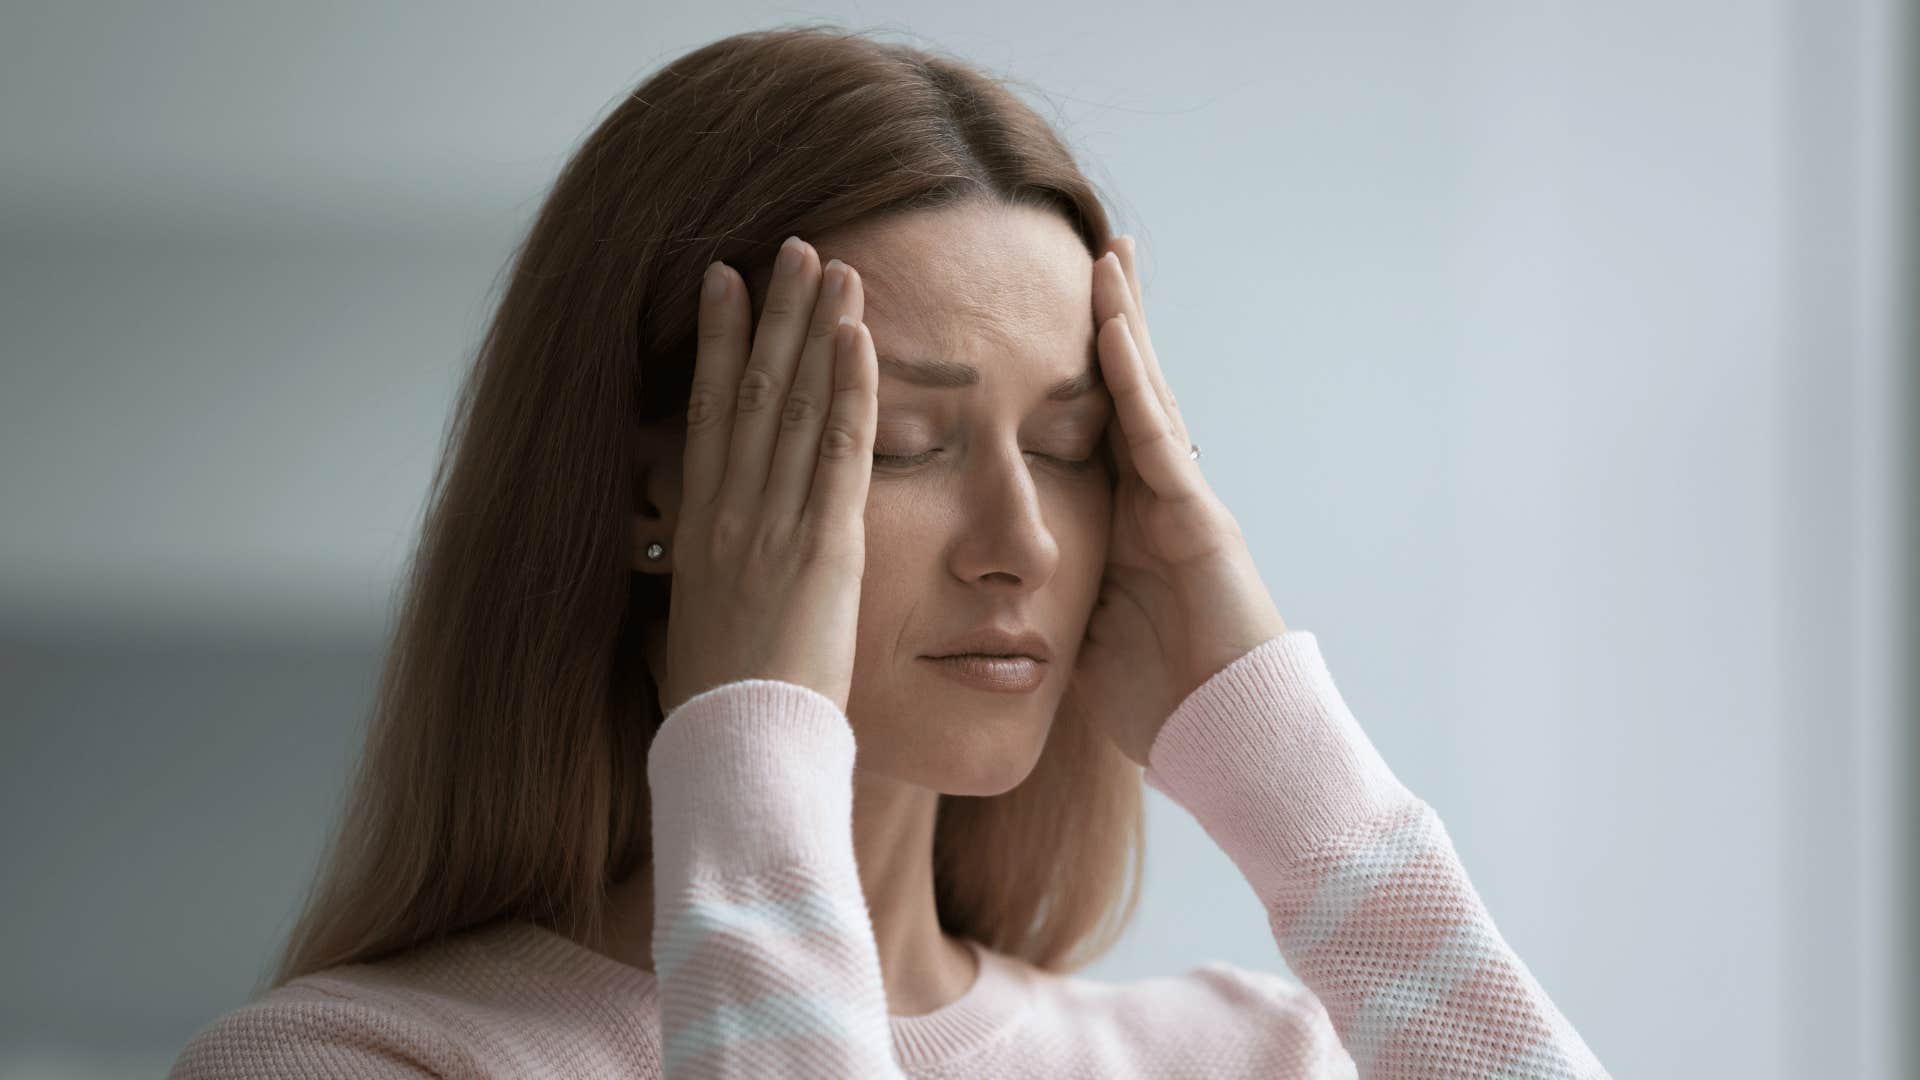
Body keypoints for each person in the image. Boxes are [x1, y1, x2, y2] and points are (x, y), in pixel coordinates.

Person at [168, 23, 1608, 1078]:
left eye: (1071, 448)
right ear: (649, 494)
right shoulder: (358, 1062)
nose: (1023, 543)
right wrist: (753, 757)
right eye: (907, 443)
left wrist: (1294, 779)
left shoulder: (1246, 1058)